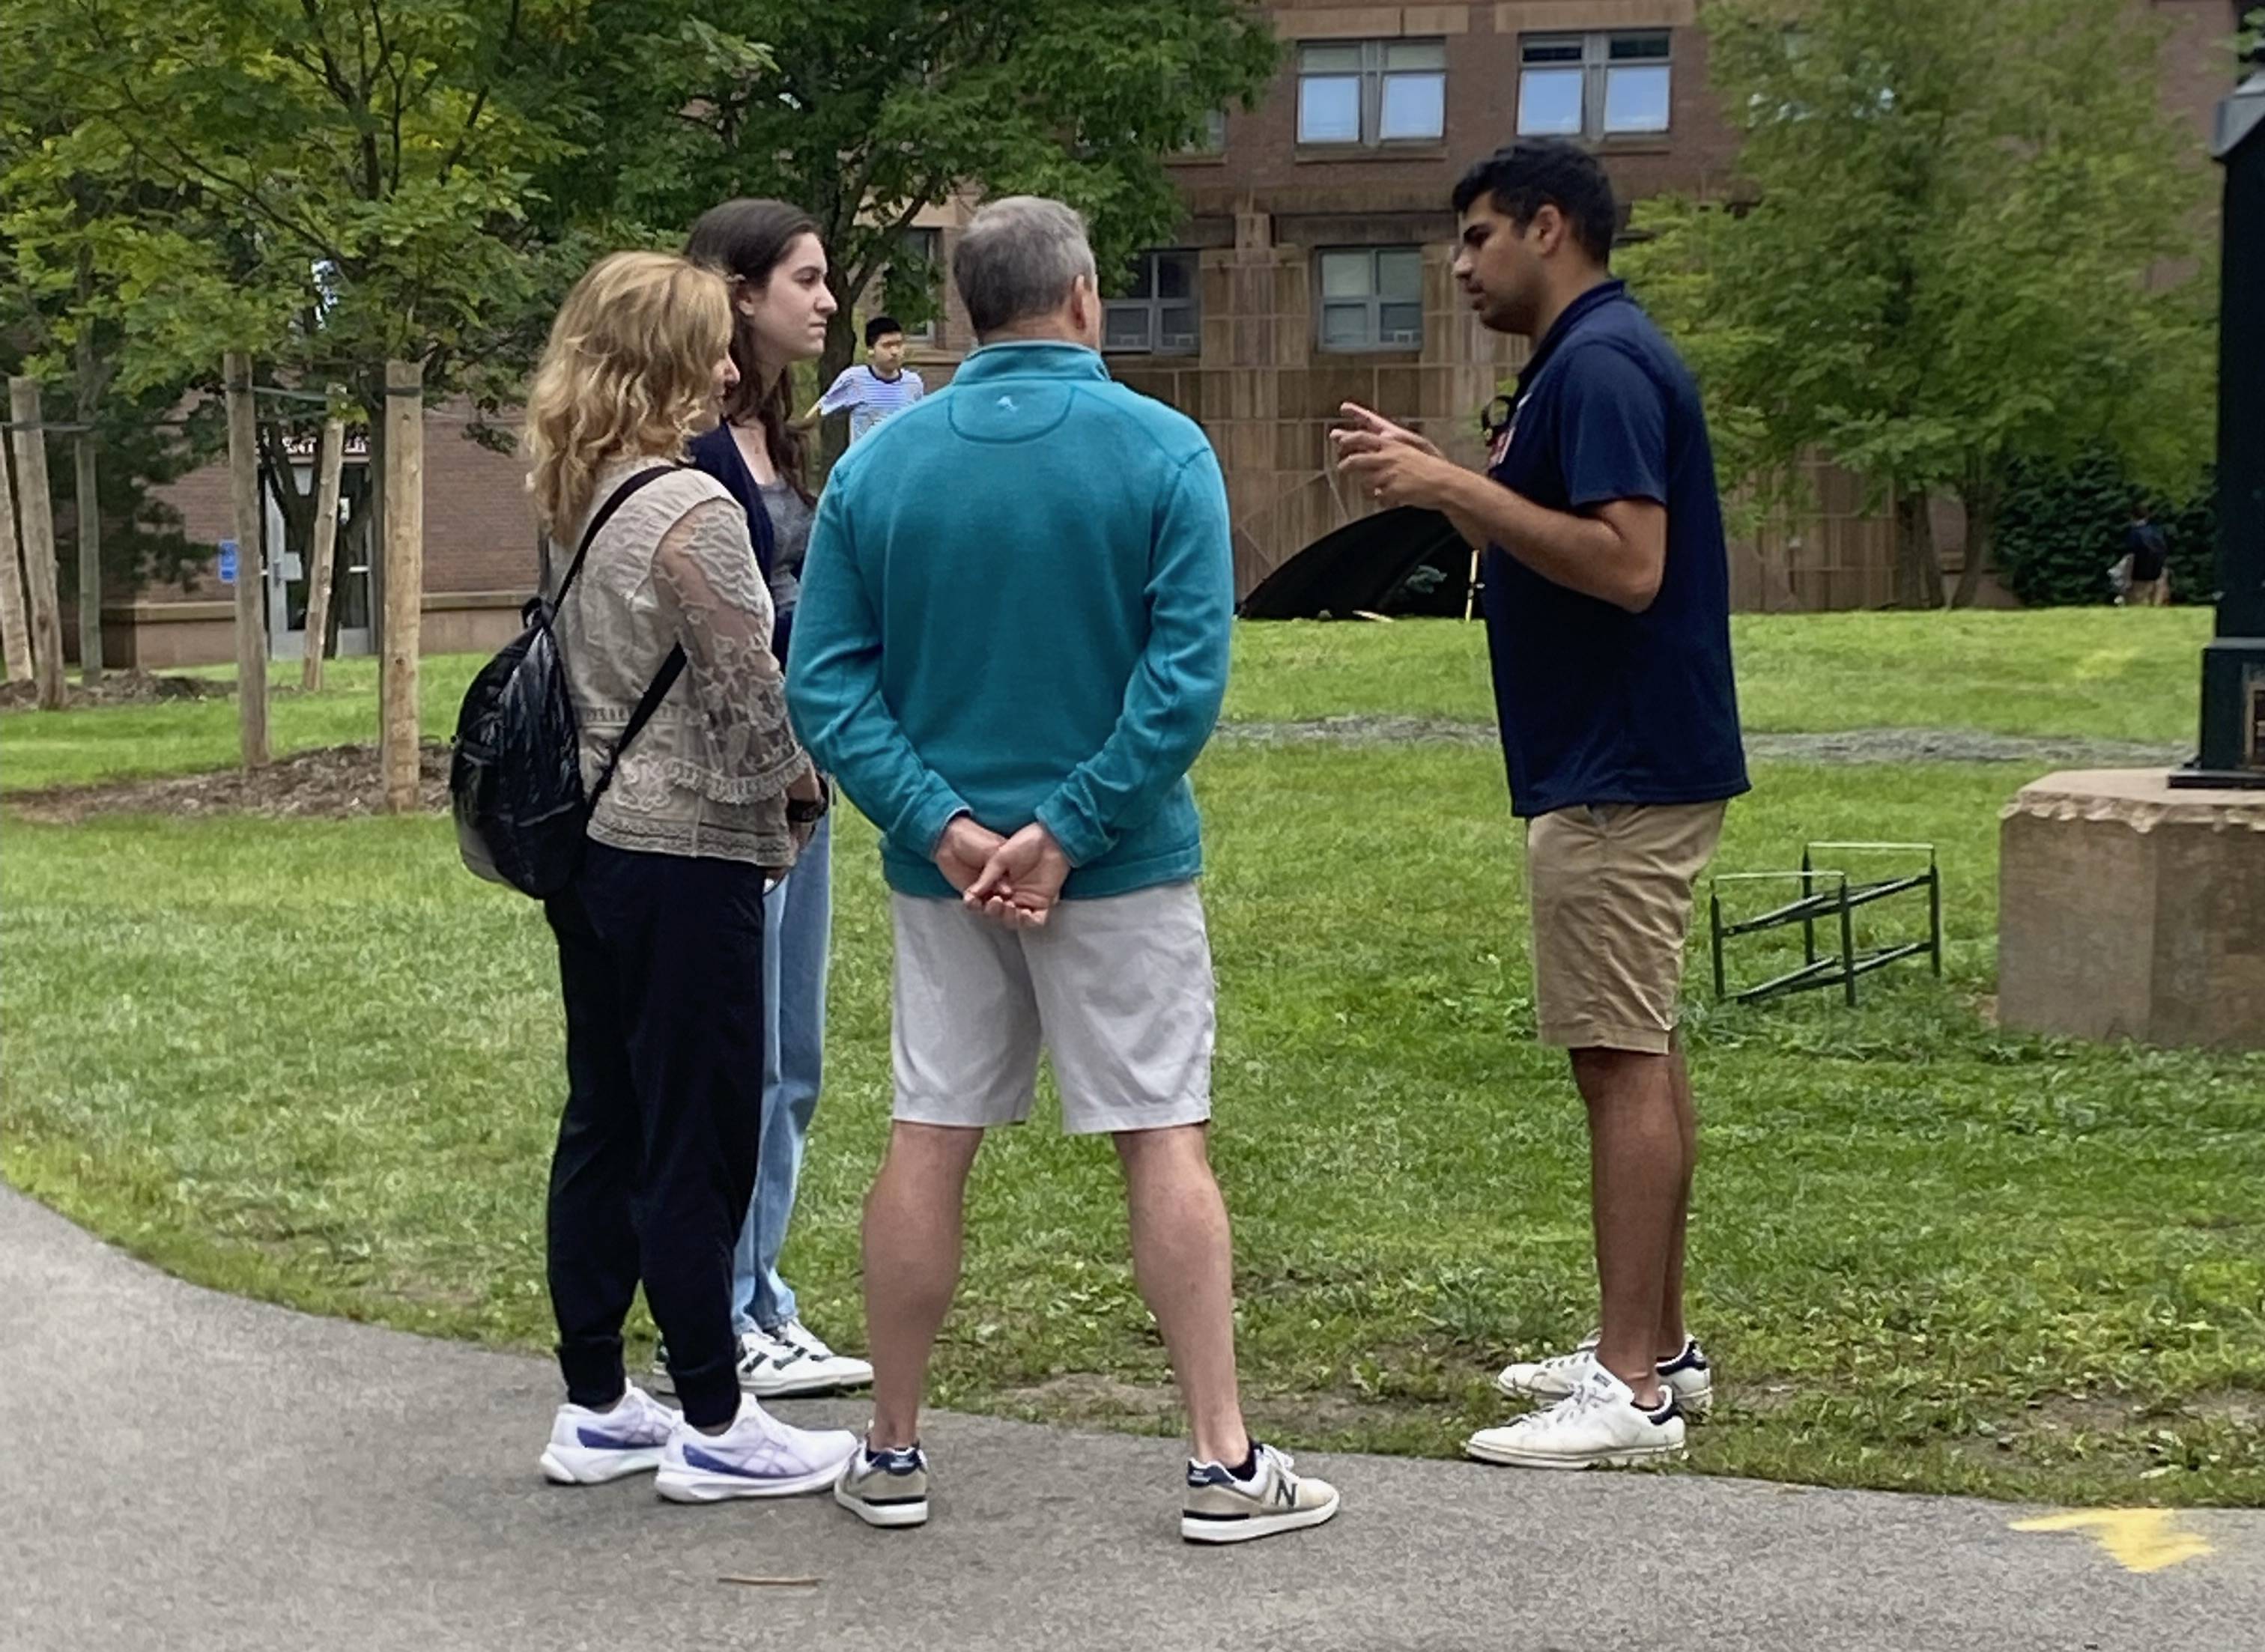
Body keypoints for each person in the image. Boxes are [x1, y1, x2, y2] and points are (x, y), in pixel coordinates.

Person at [787, 196, 1341, 1545]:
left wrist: (944, 827)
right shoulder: (1163, 449)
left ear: (967, 308)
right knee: (1161, 1131)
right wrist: (1071, 827)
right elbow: (1183, 678)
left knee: (930, 1128)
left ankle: (892, 1445)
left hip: (944, 874)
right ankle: (1220, 1460)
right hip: (1123, 861)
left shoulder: (880, 467)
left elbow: (827, 680)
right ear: (1086, 296)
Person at [1333, 139, 1748, 1469]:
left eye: (1477, 238)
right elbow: (1548, 538)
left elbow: (1629, 565)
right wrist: (1455, 482)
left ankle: (1627, 1389)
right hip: (1619, 757)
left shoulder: (1603, 364)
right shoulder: (1578, 362)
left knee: (1616, 1058)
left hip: (1620, 767)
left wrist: (1455, 485)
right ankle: (1658, 1349)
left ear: (1548, 227)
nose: (1459, 267)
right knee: (1637, 1044)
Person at [524, 249, 857, 1502]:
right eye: (708, 346)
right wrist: (798, 809)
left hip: (590, 845)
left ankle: (596, 1398)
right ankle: (717, 1417)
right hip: (689, 853)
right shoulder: (692, 507)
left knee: (604, 1118)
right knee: (700, 1129)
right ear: (663, 358)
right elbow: (748, 698)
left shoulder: (573, 489)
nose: (728, 369)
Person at [680, 198, 874, 1400]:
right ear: (740, 293)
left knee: (793, 1050)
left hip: (809, 775)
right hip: (731, 784)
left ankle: (762, 1293)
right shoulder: (688, 441)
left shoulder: (778, 436)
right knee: (737, 1051)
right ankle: (717, 1308)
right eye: (806, 278)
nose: (828, 300)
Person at [798, 315, 925, 444]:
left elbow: (918, 424)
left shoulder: (913, 383)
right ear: (871, 350)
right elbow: (821, 408)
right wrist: (793, 430)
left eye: (899, 344)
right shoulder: (855, 379)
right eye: (887, 345)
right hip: (868, 455)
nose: (895, 352)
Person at [2120, 504, 2171, 607]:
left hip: (2140, 579)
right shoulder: (2156, 532)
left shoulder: (2134, 534)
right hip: (2158, 577)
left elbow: (2131, 558)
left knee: (2137, 607)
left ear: (2132, 517)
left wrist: (2127, 581)